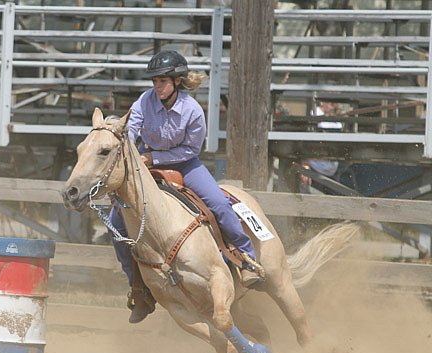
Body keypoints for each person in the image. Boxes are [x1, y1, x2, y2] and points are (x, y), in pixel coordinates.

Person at [112, 49, 265, 324]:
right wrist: (126, 145)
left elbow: (190, 149)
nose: (156, 86)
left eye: (162, 81)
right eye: (154, 81)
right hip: (146, 165)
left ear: (176, 82)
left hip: (185, 164)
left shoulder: (192, 110)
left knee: (218, 204)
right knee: (117, 224)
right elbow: (131, 129)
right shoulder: (144, 102)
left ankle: (246, 260)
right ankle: (139, 289)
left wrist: (153, 157)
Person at [299, 101, 343, 192]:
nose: (333, 107)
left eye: (334, 104)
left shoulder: (336, 120)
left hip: (332, 169)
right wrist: (305, 166)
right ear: (323, 102)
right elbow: (306, 141)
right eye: (331, 104)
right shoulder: (315, 114)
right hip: (315, 167)